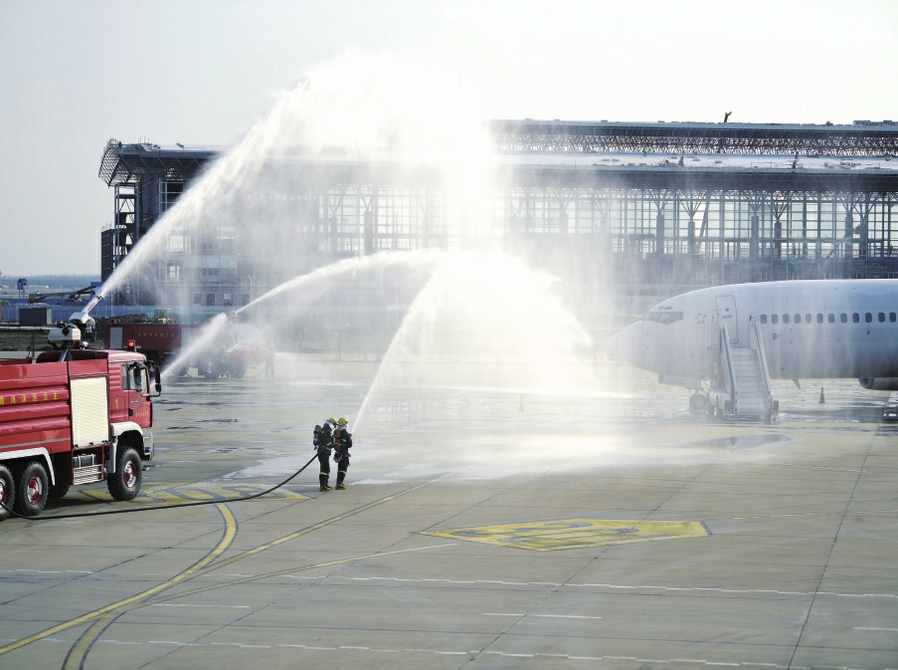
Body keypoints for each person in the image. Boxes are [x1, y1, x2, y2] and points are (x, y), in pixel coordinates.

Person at [315, 417, 336, 491]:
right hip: (324, 452)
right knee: (325, 469)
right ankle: (323, 485)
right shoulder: (327, 431)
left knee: (324, 468)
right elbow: (328, 443)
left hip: (321, 452)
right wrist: (333, 442)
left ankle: (324, 485)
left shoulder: (324, 429)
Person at [332, 416, 353, 490]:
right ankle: (339, 484)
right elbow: (350, 445)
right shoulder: (346, 433)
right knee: (343, 469)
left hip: (339, 453)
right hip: (344, 454)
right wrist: (349, 438)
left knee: (340, 469)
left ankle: (338, 483)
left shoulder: (338, 432)